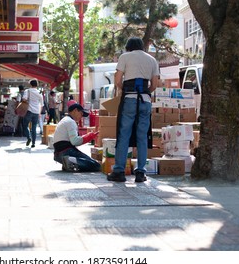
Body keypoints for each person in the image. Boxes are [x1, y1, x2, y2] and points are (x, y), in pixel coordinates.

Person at [107, 37, 159, 183]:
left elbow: (117, 80)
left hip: (129, 99)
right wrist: (145, 91)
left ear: (128, 47)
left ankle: (119, 171)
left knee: (124, 134)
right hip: (145, 100)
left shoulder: (125, 57)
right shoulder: (151, 60)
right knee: (142, 136)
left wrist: (126, 89)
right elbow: (154, 84)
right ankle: (141, 172)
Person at [53, 103, 101, 172]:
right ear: (75, 110)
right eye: (81, 114)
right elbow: (75, 141)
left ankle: (70, 163)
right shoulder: (70, 122)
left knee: (88, 162)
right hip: (66, 152)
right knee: (96, 165)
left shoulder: (65, 120)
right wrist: (89, 137)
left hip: (58, 154)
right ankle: (70, 161)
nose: (81, 117)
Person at [22, 79, 43, 148]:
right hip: (36, 112)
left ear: (30, 84)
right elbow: (42, 104)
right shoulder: (39, 92)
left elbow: (24, 99)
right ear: (37, 85)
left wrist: (27, 101)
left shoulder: (27, 91)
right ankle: (33, 143)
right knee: (34, 127)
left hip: (29, 111)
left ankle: (29, 138)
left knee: (25, 125)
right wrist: (39, 113)